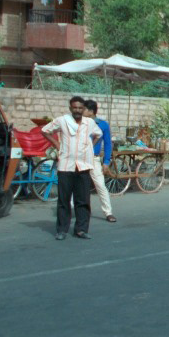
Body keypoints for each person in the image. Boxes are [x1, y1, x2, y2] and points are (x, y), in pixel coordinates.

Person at [41, 96, 101, 241]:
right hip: (66, 166)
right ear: (70, 108)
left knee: (83, 200)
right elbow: (45, 130)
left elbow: (98, 135)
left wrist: (89, 147)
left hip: (83, 166)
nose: (77, 110)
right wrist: (57, 144)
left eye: (80, 108)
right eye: (75, 108)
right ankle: (62, 230)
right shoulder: (62, 120)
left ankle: (81, 230)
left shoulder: (89, 123)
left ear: (83, 109)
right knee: (64, 200)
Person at [83, 99, 117, 223]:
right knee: (76, 184)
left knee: (101, 185)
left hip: (94, 158)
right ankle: (72, 209)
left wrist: (106, 162)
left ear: (91, 111)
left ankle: (108, 212)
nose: (81, 111)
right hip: (80, 158)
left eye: (84, 109)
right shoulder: (80, 123)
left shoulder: (103, 125)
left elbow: (108, 144)